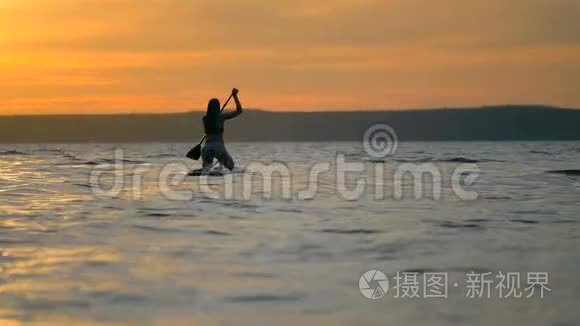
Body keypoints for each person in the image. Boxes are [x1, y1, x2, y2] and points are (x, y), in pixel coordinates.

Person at [201, 88, 243, 171]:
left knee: (206, 170)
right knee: (231, 166)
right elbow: (239, 111)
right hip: (218, 147)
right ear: (218, 107)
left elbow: (212, 120)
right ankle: (220, 167)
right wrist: (234, 96)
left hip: (206, 148)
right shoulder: (221, 117)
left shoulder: (205, 118)